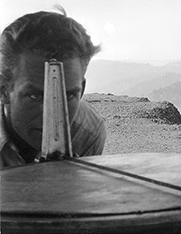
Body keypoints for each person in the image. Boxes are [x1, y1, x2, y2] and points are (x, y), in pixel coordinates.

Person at [0, 9, 106, 168]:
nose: (51, 116)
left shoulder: (87, 132)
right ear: (3, 90)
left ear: (82, 91)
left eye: (68, 96)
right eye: (35, 96)